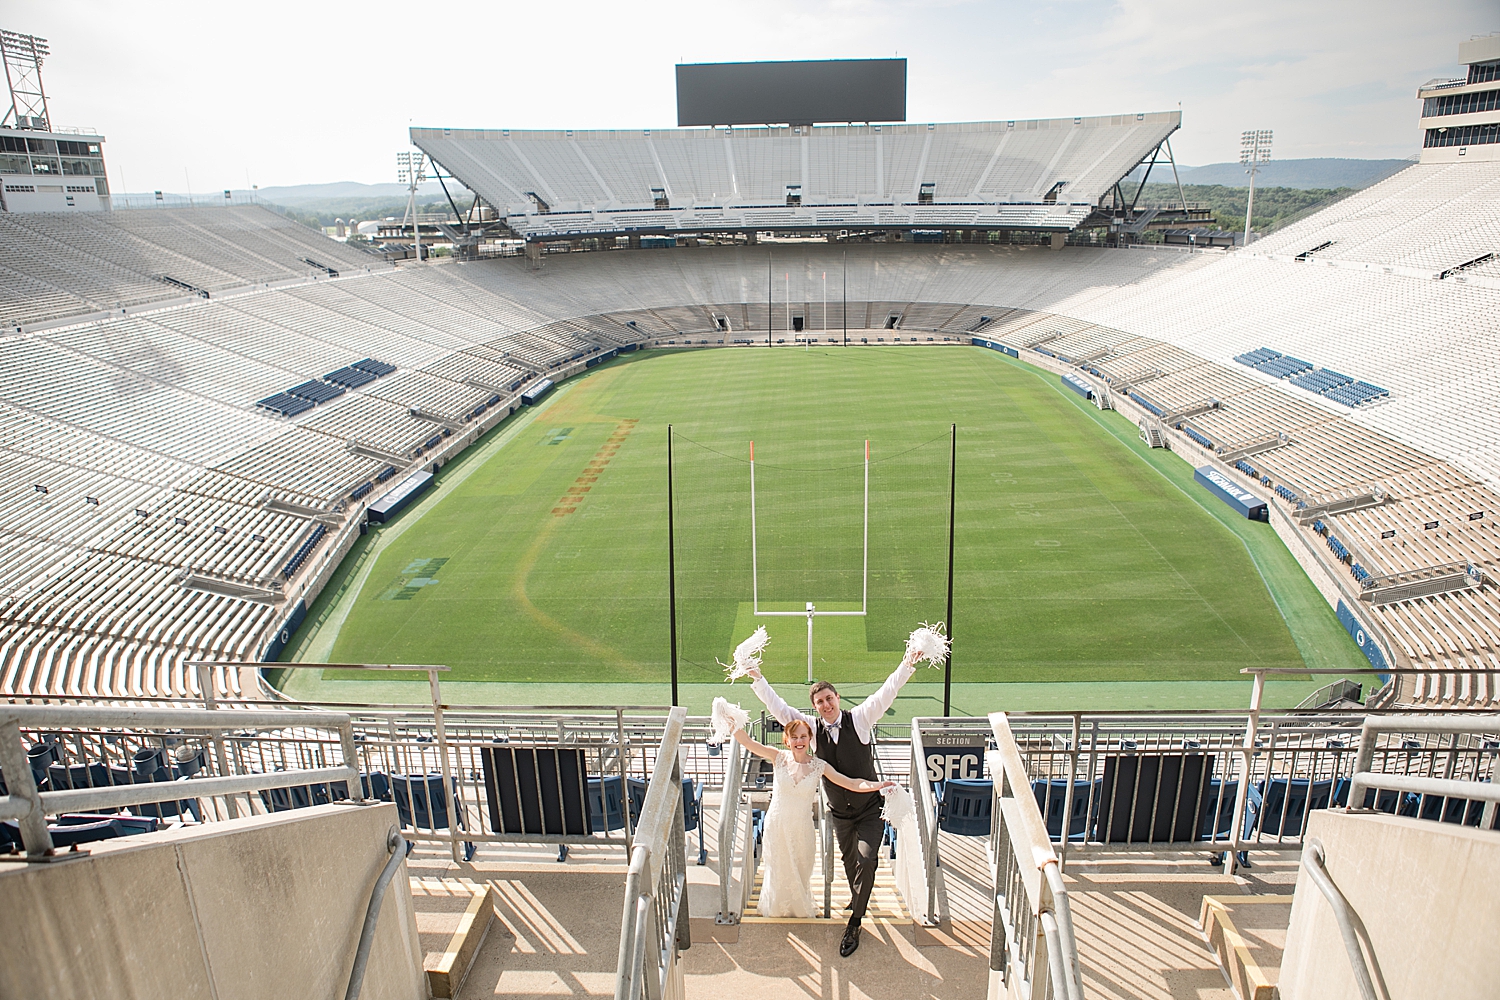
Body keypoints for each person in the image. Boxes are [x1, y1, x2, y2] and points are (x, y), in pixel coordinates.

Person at [745, 646, 920, 956]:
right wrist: (758, 678)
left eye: (829, 698)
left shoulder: (862, 717)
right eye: (819, 702)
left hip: (869, 809)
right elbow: (779, 709)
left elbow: (887, 692)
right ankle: (857, 896)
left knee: (866, 860)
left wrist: (907, 664)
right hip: (838, 813)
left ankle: (854, 922)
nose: (825, 705)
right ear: (814, 706)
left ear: (838, 699)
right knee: (850, 861)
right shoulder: (809, 729)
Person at [731, 718, 895, 919]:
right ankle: (775, 908)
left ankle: (799, 908)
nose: (799, 741)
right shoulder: (778, 757)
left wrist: (876, 786)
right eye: (794, 737)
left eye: (803, 736)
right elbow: (747, 742)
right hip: (777, 825)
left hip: (802, 828)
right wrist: (729, 719)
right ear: (787, 740)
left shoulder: (819, 766)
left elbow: (850, 783)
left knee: (801, 870)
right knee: (778, 869)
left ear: (810, 739)